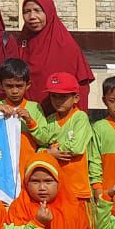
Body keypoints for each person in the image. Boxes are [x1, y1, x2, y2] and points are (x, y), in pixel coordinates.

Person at [17, 0, 94, 110]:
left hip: (59, 115)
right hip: (26, 113)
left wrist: (77, 118)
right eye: (27, 11)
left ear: (49, 12)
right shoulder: (21, 42)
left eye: (38, 10)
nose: (32, 17)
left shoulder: (66, 45)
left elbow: (80, 86)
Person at [37, 71, 96, 205]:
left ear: (75, 98)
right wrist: (47, 152)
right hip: (54, 188)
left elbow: (76, 147)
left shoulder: (80, 117)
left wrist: (52, 150)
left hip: (77, 188)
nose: (58, 101)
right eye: (54, 96)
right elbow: (40, 144)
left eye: (63, 97)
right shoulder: (50, 120)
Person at [0, 57, 45, 169]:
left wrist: (29, 121)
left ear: (28, 85)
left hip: (27, 165)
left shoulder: (34, 107)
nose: (14, 91)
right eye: (9, 86)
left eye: (19, 86)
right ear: (1, 84)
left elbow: (44, 139)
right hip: (2, 165)